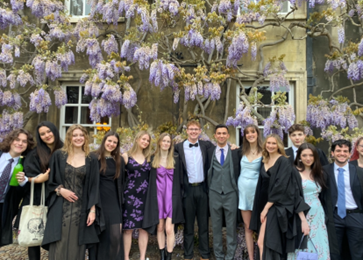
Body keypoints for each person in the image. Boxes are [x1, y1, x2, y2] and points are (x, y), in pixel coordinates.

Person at [42, 124, 100, 260]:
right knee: (59, 244)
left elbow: (94, 186)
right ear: (69, 137)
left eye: (81, 135)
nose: (78, 138)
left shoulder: (91, 159)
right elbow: (50, 182)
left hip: (80, 210)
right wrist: (61, 190)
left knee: (76, 246)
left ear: (86, 137)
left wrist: (92, 210)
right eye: (75, 135)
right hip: (60, 208)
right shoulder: (58, 156)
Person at [250, 134, 308, 260]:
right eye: (268, 143)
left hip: (276, 206)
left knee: (267, 243)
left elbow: (280, 186)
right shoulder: (264, 159)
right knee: (261, 243)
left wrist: (266, 208)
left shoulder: (283, 161)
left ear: (279, 146)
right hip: (263, 204)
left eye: (274, 143)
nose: (270, 146)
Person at [15, 122, 63, 260]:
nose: (47, 135)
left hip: (58, 196)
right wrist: (38, 179)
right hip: (37, 196)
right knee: (34, 237)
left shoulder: (65, 149)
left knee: (56, 234)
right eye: (42, 134)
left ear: (54, 130)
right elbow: (27, 176)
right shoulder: (35, 153)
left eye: (49, 131)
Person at [287, 143, 338, 260]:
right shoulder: (294, 172)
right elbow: (294, 196)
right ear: (299, 157)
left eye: (311, 155)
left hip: (318, 214)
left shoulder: (320, 173)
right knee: (303, 245)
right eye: (304, 155)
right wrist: (303, 220)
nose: (308, 158)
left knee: (319, 245)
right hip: (302, 213)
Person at [174, 120, 213, 260]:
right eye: (191, 129)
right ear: (187, 131)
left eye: (196, 129)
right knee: (188, 225)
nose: (193, 131)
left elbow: (222, 149)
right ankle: (188, 254)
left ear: (200, 131)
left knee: (203, 224)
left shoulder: (206, 145)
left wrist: (233, 147)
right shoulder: (178, 147)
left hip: (202, 189)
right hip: (187, 190)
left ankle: (204, 254)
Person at [143, 133, 184, 260]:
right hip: (158, 197)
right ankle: (162, 254)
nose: (166, 143)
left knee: (169, 229)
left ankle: (169, 255)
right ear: (159, 142)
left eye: (168, 141)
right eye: (164, 141)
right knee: (160, 227)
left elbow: (181, 180)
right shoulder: (152, 158)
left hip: (172, 197)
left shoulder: (176, 158)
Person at [323, 139, 363, 260]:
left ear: (350, 153)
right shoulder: (323, 171)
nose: (342, 153)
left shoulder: (359, 172)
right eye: (338, 150)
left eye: (345, 151)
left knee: (357, 253)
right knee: (334, 253)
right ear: (332, 153)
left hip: (355, 215)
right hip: (334, 216)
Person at [206, 124, 241, 260]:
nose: (221, 136)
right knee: (215, 227)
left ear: (228, 135)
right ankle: (219, 256)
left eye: (224, 133)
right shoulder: (209, 151)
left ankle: (230, 256)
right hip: (214, 193)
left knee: (231, 227)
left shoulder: (235, 152)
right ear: (215, 136)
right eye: (218, 133)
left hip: (230, 193)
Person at [91, 131, 125, 260]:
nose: (111, 144)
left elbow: (121, 182)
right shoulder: (94, 157)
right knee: (100, 236)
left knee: (115, 236)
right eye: (109, 141)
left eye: (115, 142)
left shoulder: (119, 160)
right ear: (104, 141)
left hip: (113, 200)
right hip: (98, 199)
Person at [0, 128, 34, 247]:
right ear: (10, 140)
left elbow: (23, 192)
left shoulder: (26, 165)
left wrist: (23, 182)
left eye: (24, 141)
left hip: (4, 206)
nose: (20, 143)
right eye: (17, 139)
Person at [121, 130, 152, 260]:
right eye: (143, 139)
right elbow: (120, 178)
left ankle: (142, 257)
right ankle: (126, 257)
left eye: (148, 140)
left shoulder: (150, 157)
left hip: (145, 197)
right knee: (128, 229)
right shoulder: (126, 156)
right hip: (129, 196)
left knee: (143, 228)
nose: (145, 142)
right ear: (137, 139)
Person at [237, 124, 263, 260]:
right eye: (247, 133)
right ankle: (251, 258)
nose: (250, 135)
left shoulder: (264, 151)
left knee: (260, 226)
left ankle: (262, 256)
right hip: (243, 193)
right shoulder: (241, 151)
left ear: (257, 134)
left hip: (257, 194)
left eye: (253, 132)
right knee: (247, 227)